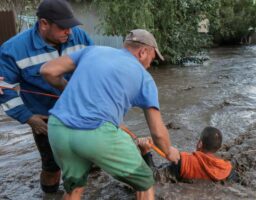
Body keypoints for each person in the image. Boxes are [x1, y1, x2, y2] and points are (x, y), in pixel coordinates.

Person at [40, 29, 180, 200]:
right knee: (145, 181)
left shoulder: (93, 50)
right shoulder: (145, 78)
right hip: (95, 134)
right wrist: (168, 151)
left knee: (74, 188)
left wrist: (67, 88)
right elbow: (158, 133)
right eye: (152, 58)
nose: (151, 64)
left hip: (57, 128)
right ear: (143, 52)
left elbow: (48, 70)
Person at [0, 0, 93, 193]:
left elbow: (96, 70)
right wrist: (28, 117)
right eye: (63, 27)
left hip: (83, 113)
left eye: (72, 26)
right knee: (52, 167)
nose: (70, 32)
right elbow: (4, 90)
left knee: (91, 156)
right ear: (44, 24)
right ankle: (50, 196)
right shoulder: (13, 50)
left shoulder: (80, 37)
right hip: (45, 119)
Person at [138, 126, 239, 183]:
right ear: (218, 148)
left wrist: (145, 152)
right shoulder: (228, 169)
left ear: (200, 144)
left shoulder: (183, 162)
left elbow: (152, 177)